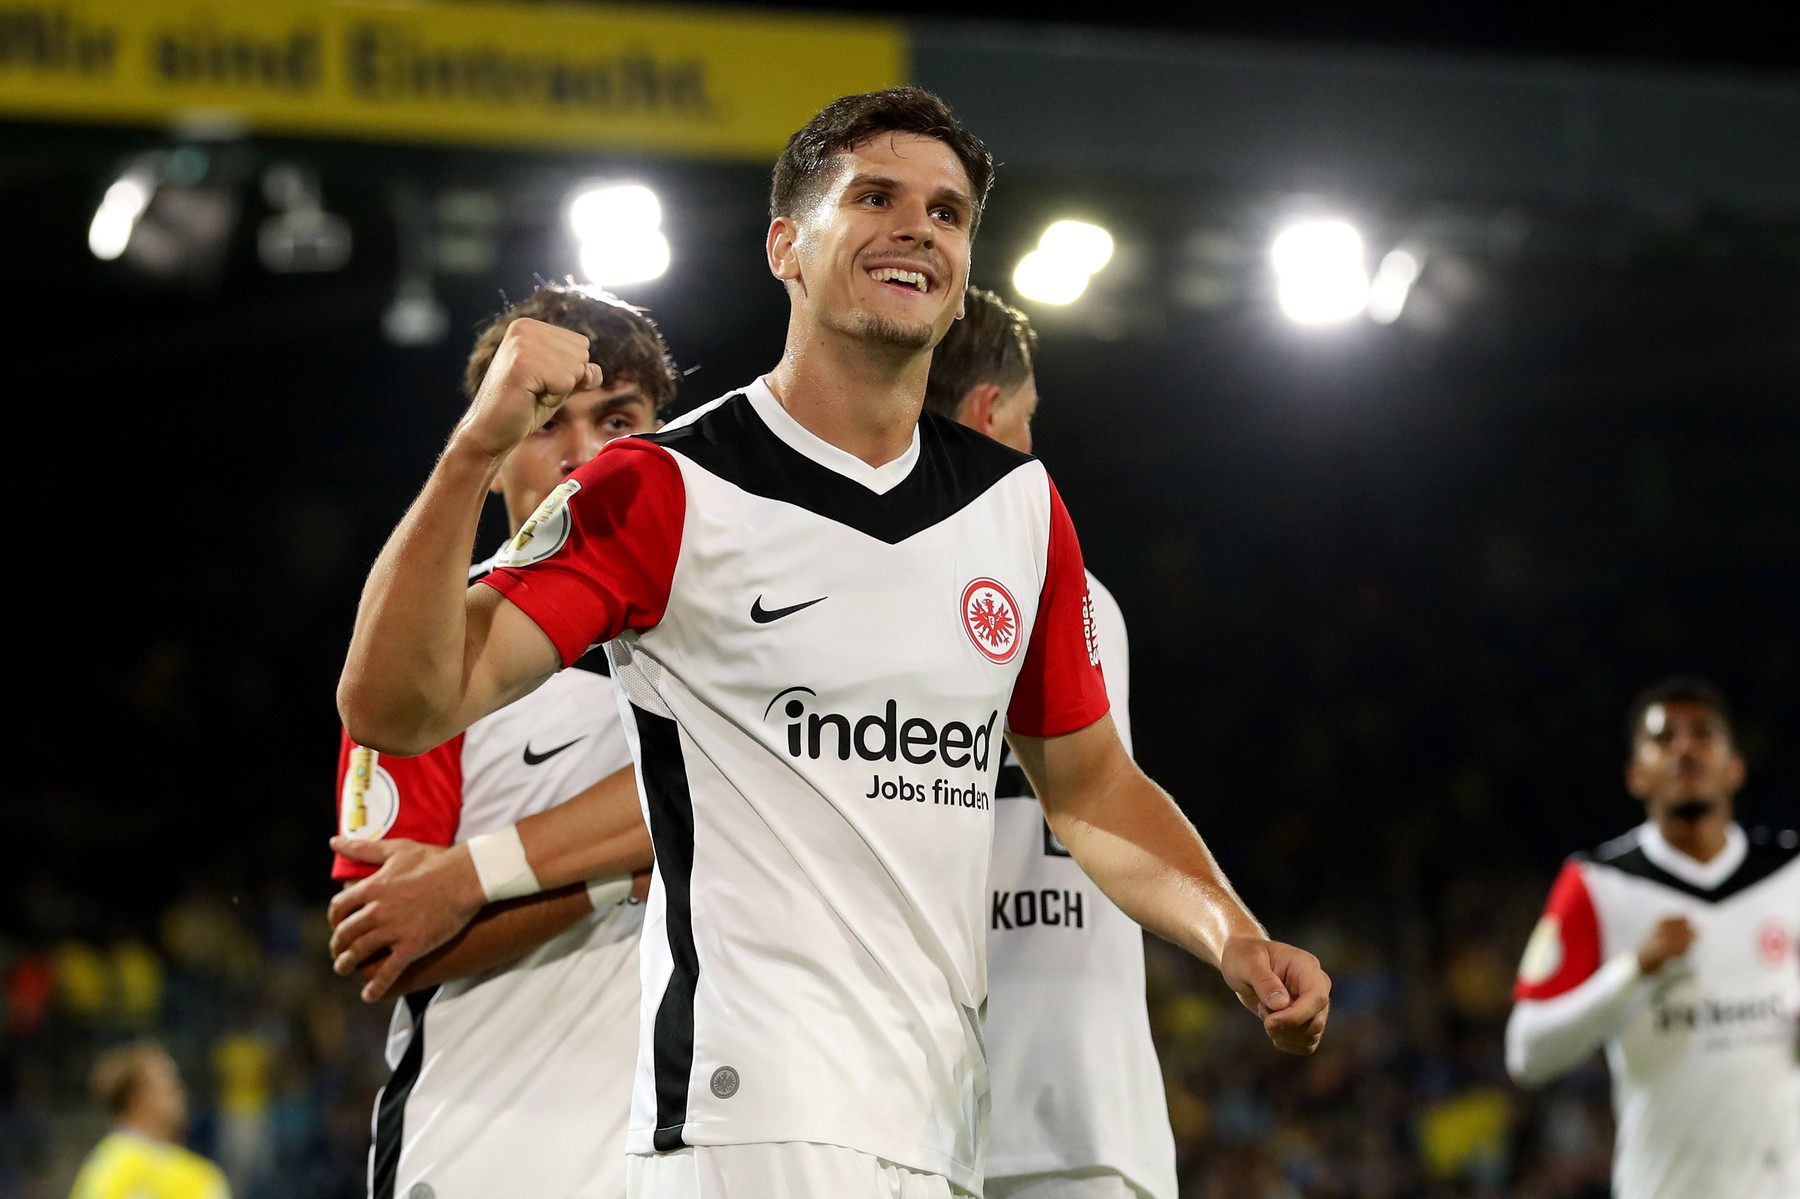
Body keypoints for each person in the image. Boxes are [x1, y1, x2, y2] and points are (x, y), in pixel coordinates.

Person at [334, 86, 1328, 1199]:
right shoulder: (667, 486)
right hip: (744, 1122)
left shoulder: (1018, 510)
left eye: (948, 214)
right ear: (786, 247)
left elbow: (1092, 785)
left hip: (941, 1125)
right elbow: (399, 705)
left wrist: (1232, 933)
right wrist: (475, 452)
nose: (918, 228)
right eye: (875, 197)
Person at [331, 281, 673, 1199]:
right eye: (546, 422)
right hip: (483, 1153)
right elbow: (382, 941)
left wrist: (472, 876)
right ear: (491, 456)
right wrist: (627, 871)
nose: (586, 453)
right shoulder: (432, 646)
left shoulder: (722, 639)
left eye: (621, 418)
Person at [923, 287, 1177, 1199]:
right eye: (1027, 421)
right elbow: (1098, 794)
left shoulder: (850, 589)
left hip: (910, 1107)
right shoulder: (1074, 599)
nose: (1032, 450)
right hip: (1076, 1109)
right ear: (989, 411)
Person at [1505, 675, 1799, 1199]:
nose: (1685, 747)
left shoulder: (1790, 872)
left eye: (1703, 734)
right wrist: (1632, 972)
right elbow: (1527, 1053)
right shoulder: (1595, 883)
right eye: (1664, 739)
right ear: (1636, 775)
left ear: (1735, 768)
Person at [68, 1041, 229, 1199]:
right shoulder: (111, 1169)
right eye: (169, 1083)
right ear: (137, 1098)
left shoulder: (201, 1174)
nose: (180, 1092)